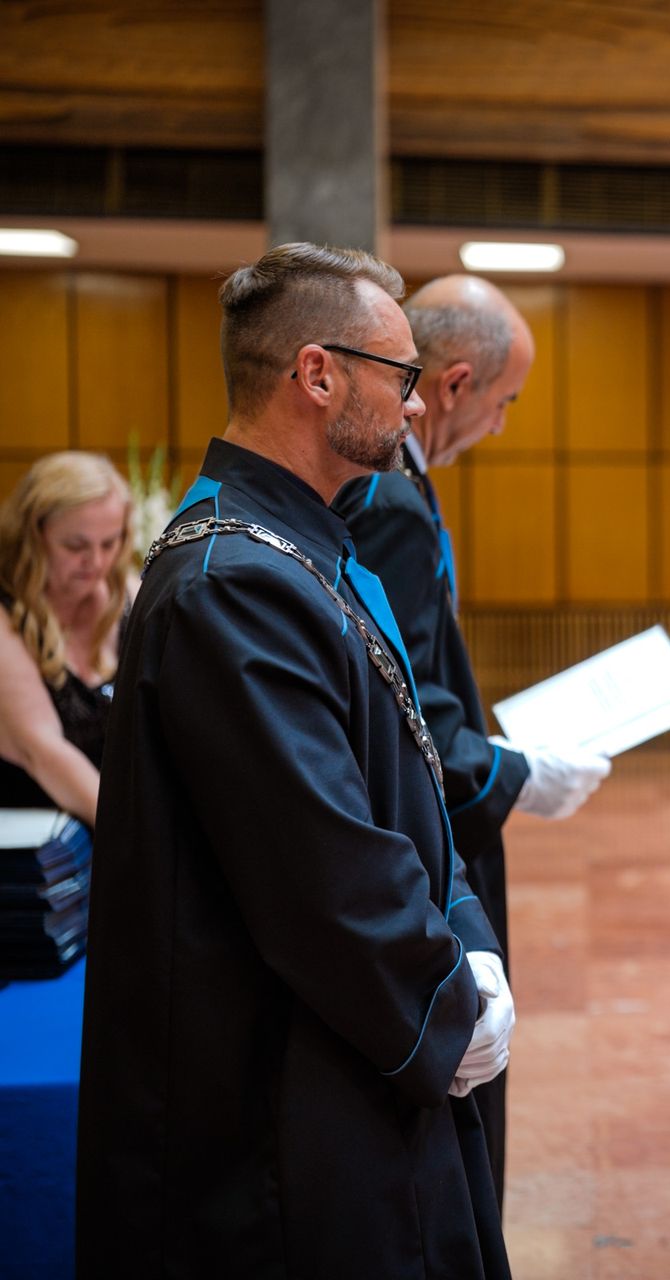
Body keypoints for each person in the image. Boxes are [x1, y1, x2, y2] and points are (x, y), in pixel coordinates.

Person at [77, 243, 512, 1277]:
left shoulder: (305, 547)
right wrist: (443, 998)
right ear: (317, 375)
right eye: (400, 375)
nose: (416, 404)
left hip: (336, 1057)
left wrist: (466, 933)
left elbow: (405, 775)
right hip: (276, 1107)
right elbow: (320, 861)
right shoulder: (231, 581)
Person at [332, 272, 608, 1204]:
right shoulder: (390, 499)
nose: (500, 426)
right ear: (455, 384)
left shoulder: (397, 484)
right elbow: (403, 698)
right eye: (505, 401)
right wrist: (511, 775)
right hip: (423, 835)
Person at [0, 453, 135, 826]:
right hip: (31, 841)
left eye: (109, 543)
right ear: (33, 534)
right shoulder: (6, 614)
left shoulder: (127, 594)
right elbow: (43, 751)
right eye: (76, 546)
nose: (96, 562)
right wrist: (135, 838)